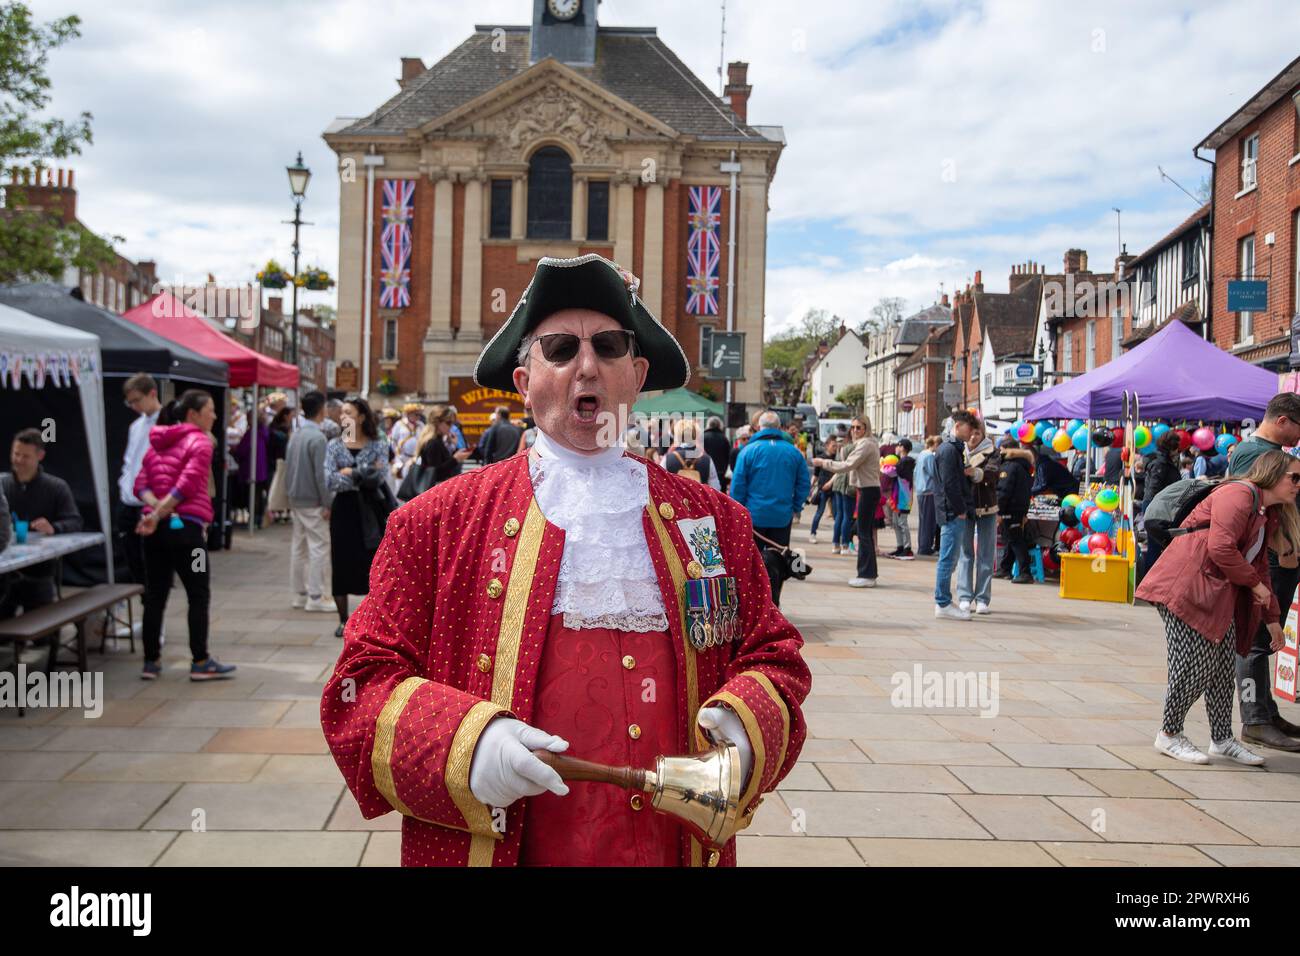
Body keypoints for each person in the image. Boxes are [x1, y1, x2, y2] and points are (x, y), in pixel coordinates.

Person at [321, 253, 808, 868]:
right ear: (524, 382)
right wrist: (465, 745)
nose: (587, 366)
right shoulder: (435, 523)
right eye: (559, 349)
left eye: (609, 346)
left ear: (637, 374)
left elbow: (773, 654)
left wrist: (743, 730)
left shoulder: (714, 520)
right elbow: (359, 686)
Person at [1136, 450, 1300, 766]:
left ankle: (1222, 739)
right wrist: (1255, 585)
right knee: (1193, 667)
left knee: (1223, 670)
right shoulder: (1239, 495)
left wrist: (1272, 619)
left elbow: (1260, 566)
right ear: (1272, 474)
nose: (1298, 484)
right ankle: (1169, 734)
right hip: (1185, 587)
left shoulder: (1265, 511)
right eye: (1294, 477)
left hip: (1213, 593)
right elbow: (1221, 547)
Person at [133, 390, 234, 681]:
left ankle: (150, 662)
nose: (214, 415)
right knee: (198, 593)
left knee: (155, 594)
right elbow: (186, 485)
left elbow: (140, 485)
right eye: (210, 410)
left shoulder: (157, 442)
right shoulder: (200, 442)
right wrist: (160, 512)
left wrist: (155, 511)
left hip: (155, 532)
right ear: (193, 414)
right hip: (188, 533)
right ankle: (200, 661)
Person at [1226, 392, 1300, 752]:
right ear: (1282, 420)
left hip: (1279, 555)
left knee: (1265, 640)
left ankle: (1267, 713)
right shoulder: (1253, 453)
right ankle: (1254, 720)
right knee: (1254, 643)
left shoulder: (1269, 452)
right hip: (1268, 557)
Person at [325, 397, 393, 639]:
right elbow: (330, 480)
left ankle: (371, 619)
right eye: (342, 413)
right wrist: (364, 474)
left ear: (361, 417)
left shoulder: (378, 444)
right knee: (341, 563)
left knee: (372, 563)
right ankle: (343, 620)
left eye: (349, 413)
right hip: (344, 510)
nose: (343, 417)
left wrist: (351, 472)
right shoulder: (334, 445)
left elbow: (380, 476)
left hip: (371, 510)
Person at [0, 428, 83, 618]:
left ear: (40, 456)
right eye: (16, 454)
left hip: (40, 570)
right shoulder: (3, 484)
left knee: (41, 625)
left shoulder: (56, 487)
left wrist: (54, 527)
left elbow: (75, 521)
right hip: (5, 568)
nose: (18, 460)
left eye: (25, 456)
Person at [730, 410, 809, 605]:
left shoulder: (748, 451)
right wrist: (796, 506)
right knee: (779, 562)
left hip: (754, 516)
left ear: (759, 427)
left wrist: (737, 511)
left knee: (750, 562)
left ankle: (753, 603)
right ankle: (774, 603)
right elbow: (803, 483)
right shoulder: (793, 452)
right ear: (779, 428)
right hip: (782, 515)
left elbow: (738, 485)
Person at [812, 417, 881, 587]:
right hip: (867, 489)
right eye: (853, 427)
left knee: (863, 534)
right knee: (864, 533)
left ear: (866, 428)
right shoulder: (866, 443)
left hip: (868, 490)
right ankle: (869, 573)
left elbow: (847, 465)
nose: (855, 431)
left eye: (859, 427)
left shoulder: (866, 444)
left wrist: (823, 462)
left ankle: (866, 575)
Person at [286, 390, 335, 614]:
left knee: (299, 547)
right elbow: (321, 475)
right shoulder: (318, 438)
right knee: (319, 547)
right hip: (313, 500)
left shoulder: (296, 434)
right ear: (321, 409)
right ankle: (316, 596)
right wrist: (328, 502)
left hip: (296, 497)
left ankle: (299, 594)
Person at [118, 373, 163, 590]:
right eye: (130, 402)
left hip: (150, 502)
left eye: (137, 400)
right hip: (128, 500)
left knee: (152, 564)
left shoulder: (167, 423)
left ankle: (152, 601)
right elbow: (129, 461)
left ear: (152, 393)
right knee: (133, 560)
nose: (134, 406)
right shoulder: (135, 426)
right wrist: (124, 484)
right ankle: (145, 598)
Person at [933, 411, 978, 620]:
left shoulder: (952, 449)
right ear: (958, 426)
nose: (972, 434)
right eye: (969, 429)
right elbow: (950, 484)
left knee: (950, 558)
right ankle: (942, 602)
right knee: (948, 559)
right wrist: (960, 509)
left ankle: (943, 601)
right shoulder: (950, 450)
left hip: (951, 510)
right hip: (952, 512)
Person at [956, 422, 1000, 613]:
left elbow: (993, 473)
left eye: (977, 433)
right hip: (965, 508)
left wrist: (974, 472)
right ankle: (964, 596)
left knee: (985, 554)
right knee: (965, 553)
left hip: (986, 506)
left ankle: (982, 599)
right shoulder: (959, 451)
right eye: (971, 433)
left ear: (983, 435)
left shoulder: (992, 452)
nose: (973, 437)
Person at [399, 407, 472, 501]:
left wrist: (454, 449)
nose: (451, 427)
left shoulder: (437, 440)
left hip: (434, 492)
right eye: (448, 423)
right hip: (433, 495)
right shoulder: (433, 443)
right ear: (438, 423)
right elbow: (436, 473)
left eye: (453, 423)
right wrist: (455, 459)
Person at [1139, 430, 1184, 573]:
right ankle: (1149, 580)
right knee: (1155, 546)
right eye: (1177, 447)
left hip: (1157, 507)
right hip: (1157, 508)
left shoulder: (1161, 461)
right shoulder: (1161, 463)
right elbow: (1154, 488)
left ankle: (1151, 578)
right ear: (1171, 447)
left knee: (1156, 546)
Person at [994, 436, 1035, 582]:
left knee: (1015, 540)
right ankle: (1005, 568)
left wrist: (999, 510)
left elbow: (1003, 490)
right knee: (1010, 539)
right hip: (1019, 508)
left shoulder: (1009, 467)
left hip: (1010, 509)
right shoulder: (1024, 466)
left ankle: (1025, 572)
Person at [233, 407, 270, 528]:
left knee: (252, 496)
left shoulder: (251, 433)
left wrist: (234, 451)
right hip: (261, 469)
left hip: (250, 469)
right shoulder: (264, 432)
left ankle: (254, 519)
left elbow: (241, 451)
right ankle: (258, 518)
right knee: (258, 494)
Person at [663, 420, 721, 491]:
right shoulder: (707, 459)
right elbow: (715, 488)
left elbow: (661, 484)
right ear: (696, 434)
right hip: (699, 497)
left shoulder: (667, 458)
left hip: (675, 497)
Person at [886, 438, 915, 559]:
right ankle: (900, 547)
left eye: (898, 446)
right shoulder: (901, 461)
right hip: (898, 497)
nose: (896, 448)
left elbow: (893, 472)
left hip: (904, 498)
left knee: (902, 523)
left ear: (902, 447)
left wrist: (885, 466)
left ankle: (907, 549)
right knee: (896, 523)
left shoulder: (906, 462)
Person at [266, 405, 294, 523]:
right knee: (280, 486)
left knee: (277, 486)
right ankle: (280, 511)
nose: (293, 418)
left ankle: (278, 511)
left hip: (276, 461)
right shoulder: (282, 430)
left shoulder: (274, 428)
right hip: (280, 461)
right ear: (285, 416)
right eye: (291, 416)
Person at [808, 437, 839, 545]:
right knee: (819, 512)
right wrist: (811, 487)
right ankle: (813, 533)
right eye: (833, 446)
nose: (835, 448)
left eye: (836, 446)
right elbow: (816, 474)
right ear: (827, 446)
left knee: (837, 514)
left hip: (834, 489)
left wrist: (830, 483)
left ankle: (837, 537)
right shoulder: (821, 458)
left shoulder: (837, 458)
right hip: (823, 489)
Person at [914, 435, 941, 555]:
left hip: (921, 490)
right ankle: (925, 547)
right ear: (936, 445)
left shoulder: (921, 454)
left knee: (923, 520)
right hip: (929, 491)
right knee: (929, 521)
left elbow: (915, 472)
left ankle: (922, 545)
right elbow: (934, 473)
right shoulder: (930, 456)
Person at [829, 436, 856, 555]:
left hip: (838, 482)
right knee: (847, 516)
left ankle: (835, 544)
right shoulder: (855, 448)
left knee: (839, 515)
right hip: (848, 483)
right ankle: (845, 545)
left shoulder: (841, 449)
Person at [702, 416, 731, 492]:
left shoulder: (702, 437)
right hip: (720, 473)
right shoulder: (724, 438)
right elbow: (728, 457)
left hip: (705, 472)